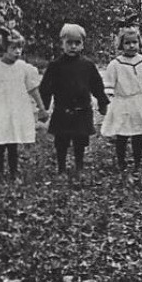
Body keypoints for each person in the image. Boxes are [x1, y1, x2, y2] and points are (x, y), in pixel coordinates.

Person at [40, 24, 109, 175]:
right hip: (62, 110)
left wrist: (102, 102)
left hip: (82, 110)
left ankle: (79, 166)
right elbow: (46, 88)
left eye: (77, 43)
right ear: (62, 44)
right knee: (61, 142)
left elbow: (97, 86)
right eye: (69, 43)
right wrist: (43, 107)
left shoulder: (88, 65)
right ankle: (61, 168)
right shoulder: (55, 66)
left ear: (82, 44)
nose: (73, 47)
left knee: (80, 141)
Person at [0, 29, 44, 181]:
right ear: (3, 49)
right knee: (0, 143)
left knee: (13, 142)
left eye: (20, 48)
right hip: (1, 110)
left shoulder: (23, 68)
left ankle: (14, 173)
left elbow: (32, 88)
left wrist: (41, 107)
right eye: (13, 48)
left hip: (16, 109)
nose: (17, 51)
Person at [101, 26, 142, 171]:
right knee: (122, 134)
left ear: (139, 43)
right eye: (127, 43)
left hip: (140, 102)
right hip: (123, 102)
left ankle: (137, 161)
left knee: (138, 133)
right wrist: (106, 102)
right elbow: (109, 86)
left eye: (134, 42)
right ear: (121, 45)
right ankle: (121, 162)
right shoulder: (115, 64)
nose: (131, 46)